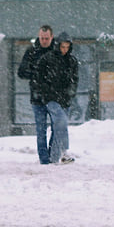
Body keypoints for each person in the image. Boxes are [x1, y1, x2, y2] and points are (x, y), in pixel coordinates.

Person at [35, 32, 79, 164]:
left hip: (65, 99)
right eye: (62, 47)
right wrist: (46, 93)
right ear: (58, 45)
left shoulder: (72, 61)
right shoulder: (47, 59)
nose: (64, 50)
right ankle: (64, 151)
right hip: (51, 98)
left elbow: (74, 80)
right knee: (62, 122)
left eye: (67, 47)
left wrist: (70, 93)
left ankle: (54, 159)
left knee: (59, 127)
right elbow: (39, 77)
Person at [16, 24, 55, 164]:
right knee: (41, 130)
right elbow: (21, 72)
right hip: (37, 97)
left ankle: (53, 154)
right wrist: (36, 75)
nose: (44, 40)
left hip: (54, 97)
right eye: (41, 38)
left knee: (57, 128)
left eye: (46, 38)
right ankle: (44, 159)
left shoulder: (57, 52)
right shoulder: (31, 52)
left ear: (51, 37)